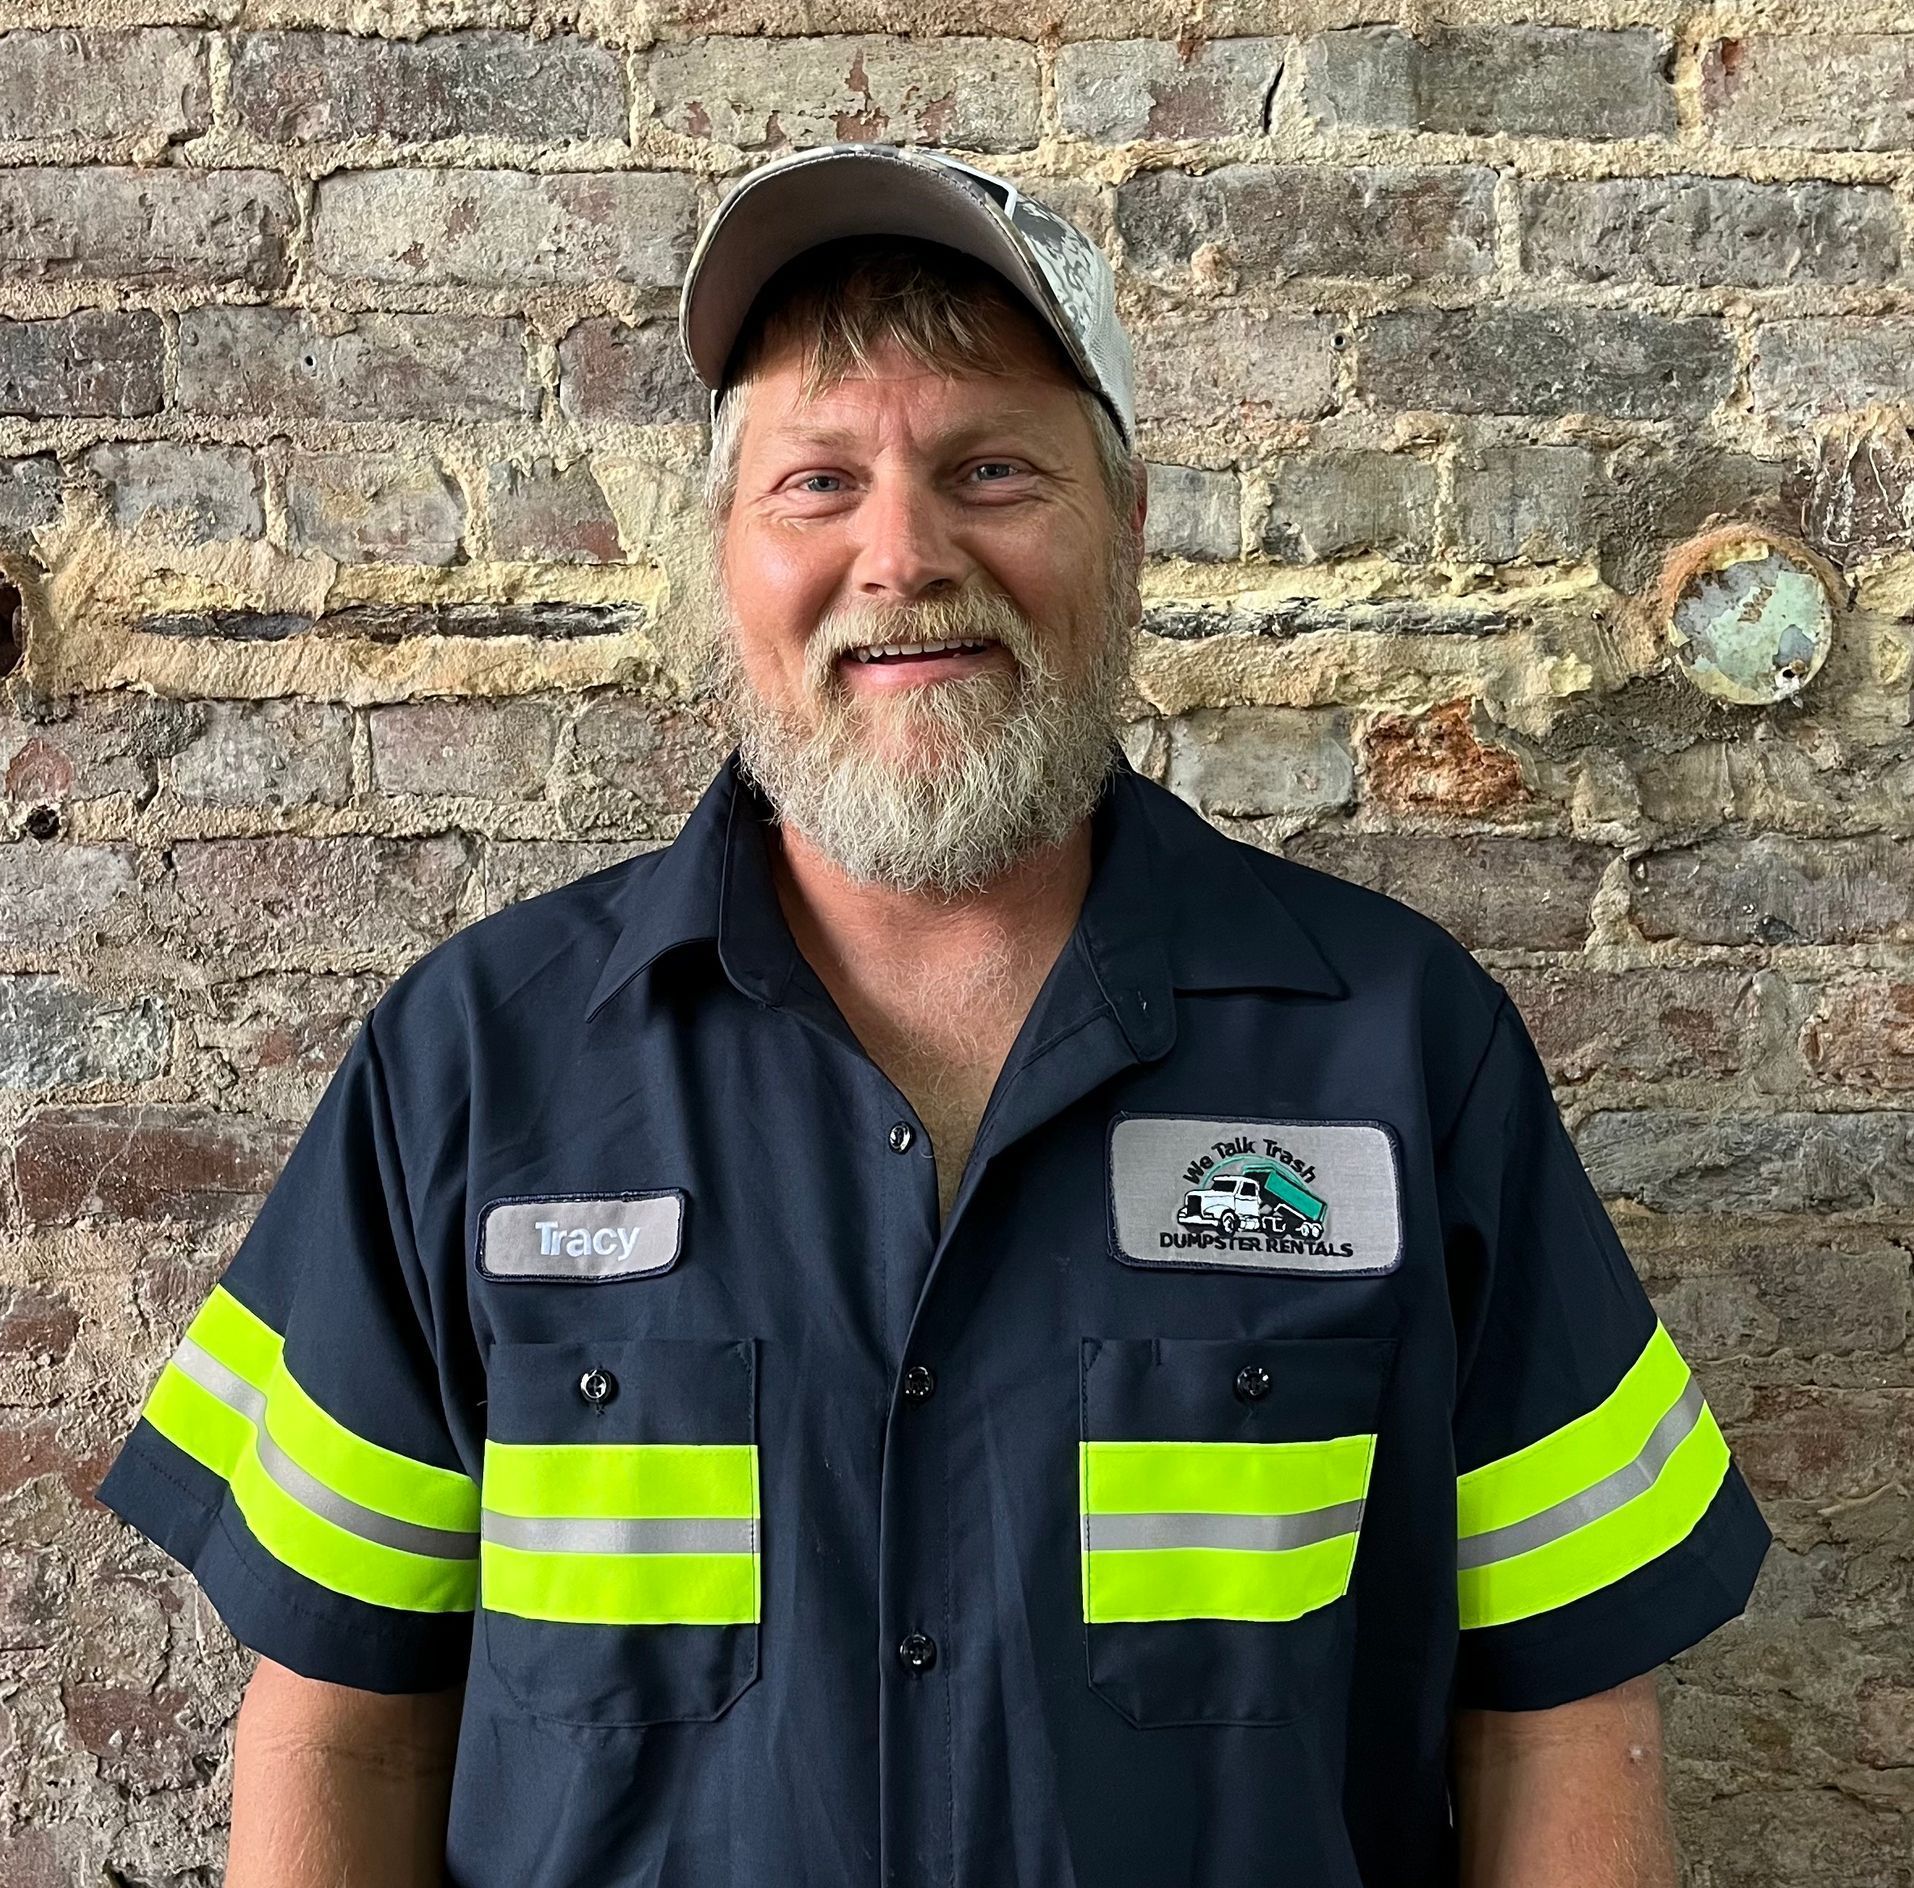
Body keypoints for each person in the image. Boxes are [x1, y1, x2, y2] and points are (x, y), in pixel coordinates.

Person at [93, 143, 1771, 1888]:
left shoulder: (1404, 1055)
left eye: (988, 468)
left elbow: (1561, 1718)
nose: (900, 555)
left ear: (1123, 531)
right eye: (818, 482)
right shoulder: (473, 1064)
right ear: (722, 563)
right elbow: (341, 1725)